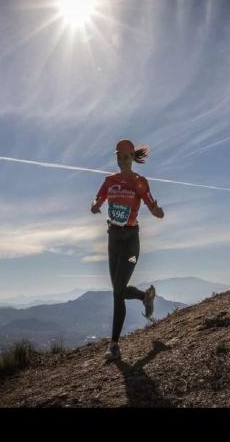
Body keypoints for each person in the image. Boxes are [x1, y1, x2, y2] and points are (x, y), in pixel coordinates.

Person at [90, 139, 165, 360]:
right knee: (118, 291)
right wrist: (95, 205)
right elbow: (99, 198)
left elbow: (151, 204)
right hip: (113, 239)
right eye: (119, 157)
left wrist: (157, 211)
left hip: (131, 242)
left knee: (118, 291)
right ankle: (145, 297)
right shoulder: (109, 181)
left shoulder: (139, 182)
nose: (122, 161)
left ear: (132, 157)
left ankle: (114, 345)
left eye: (125, 157)